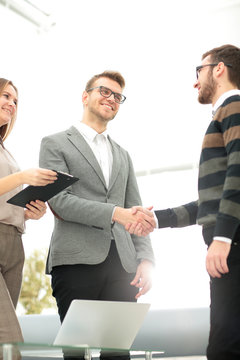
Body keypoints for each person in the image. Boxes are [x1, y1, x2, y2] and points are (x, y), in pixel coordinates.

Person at [127, 44, 240, 360]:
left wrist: (222, 237)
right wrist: (157, 219)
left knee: (224, 348)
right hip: (231, 243)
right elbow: (211, 200)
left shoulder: (234, 107)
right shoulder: (226, 114)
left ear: (219, 69)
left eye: (199, 70)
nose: (196, 81)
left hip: (233, 246)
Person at [39, 71, 155, 360]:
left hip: (122, 265)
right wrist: (115, 213)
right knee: (77, 353)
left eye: (117, 96)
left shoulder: (124, 155)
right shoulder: (54, 144)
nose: (111, 99)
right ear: (85, 95)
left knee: (118, 354)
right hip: (75, 260)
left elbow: (135, 210)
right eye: (105, 91)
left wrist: (146, 259)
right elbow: (61, 202)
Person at [0, 78, 57, 344]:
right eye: (5, 96)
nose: (11, 103)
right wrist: (24, 176)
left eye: (15, 100)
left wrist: (27, 213)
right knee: (10, 340)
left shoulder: (6, 151)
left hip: (13, 243)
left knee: (3, 342)